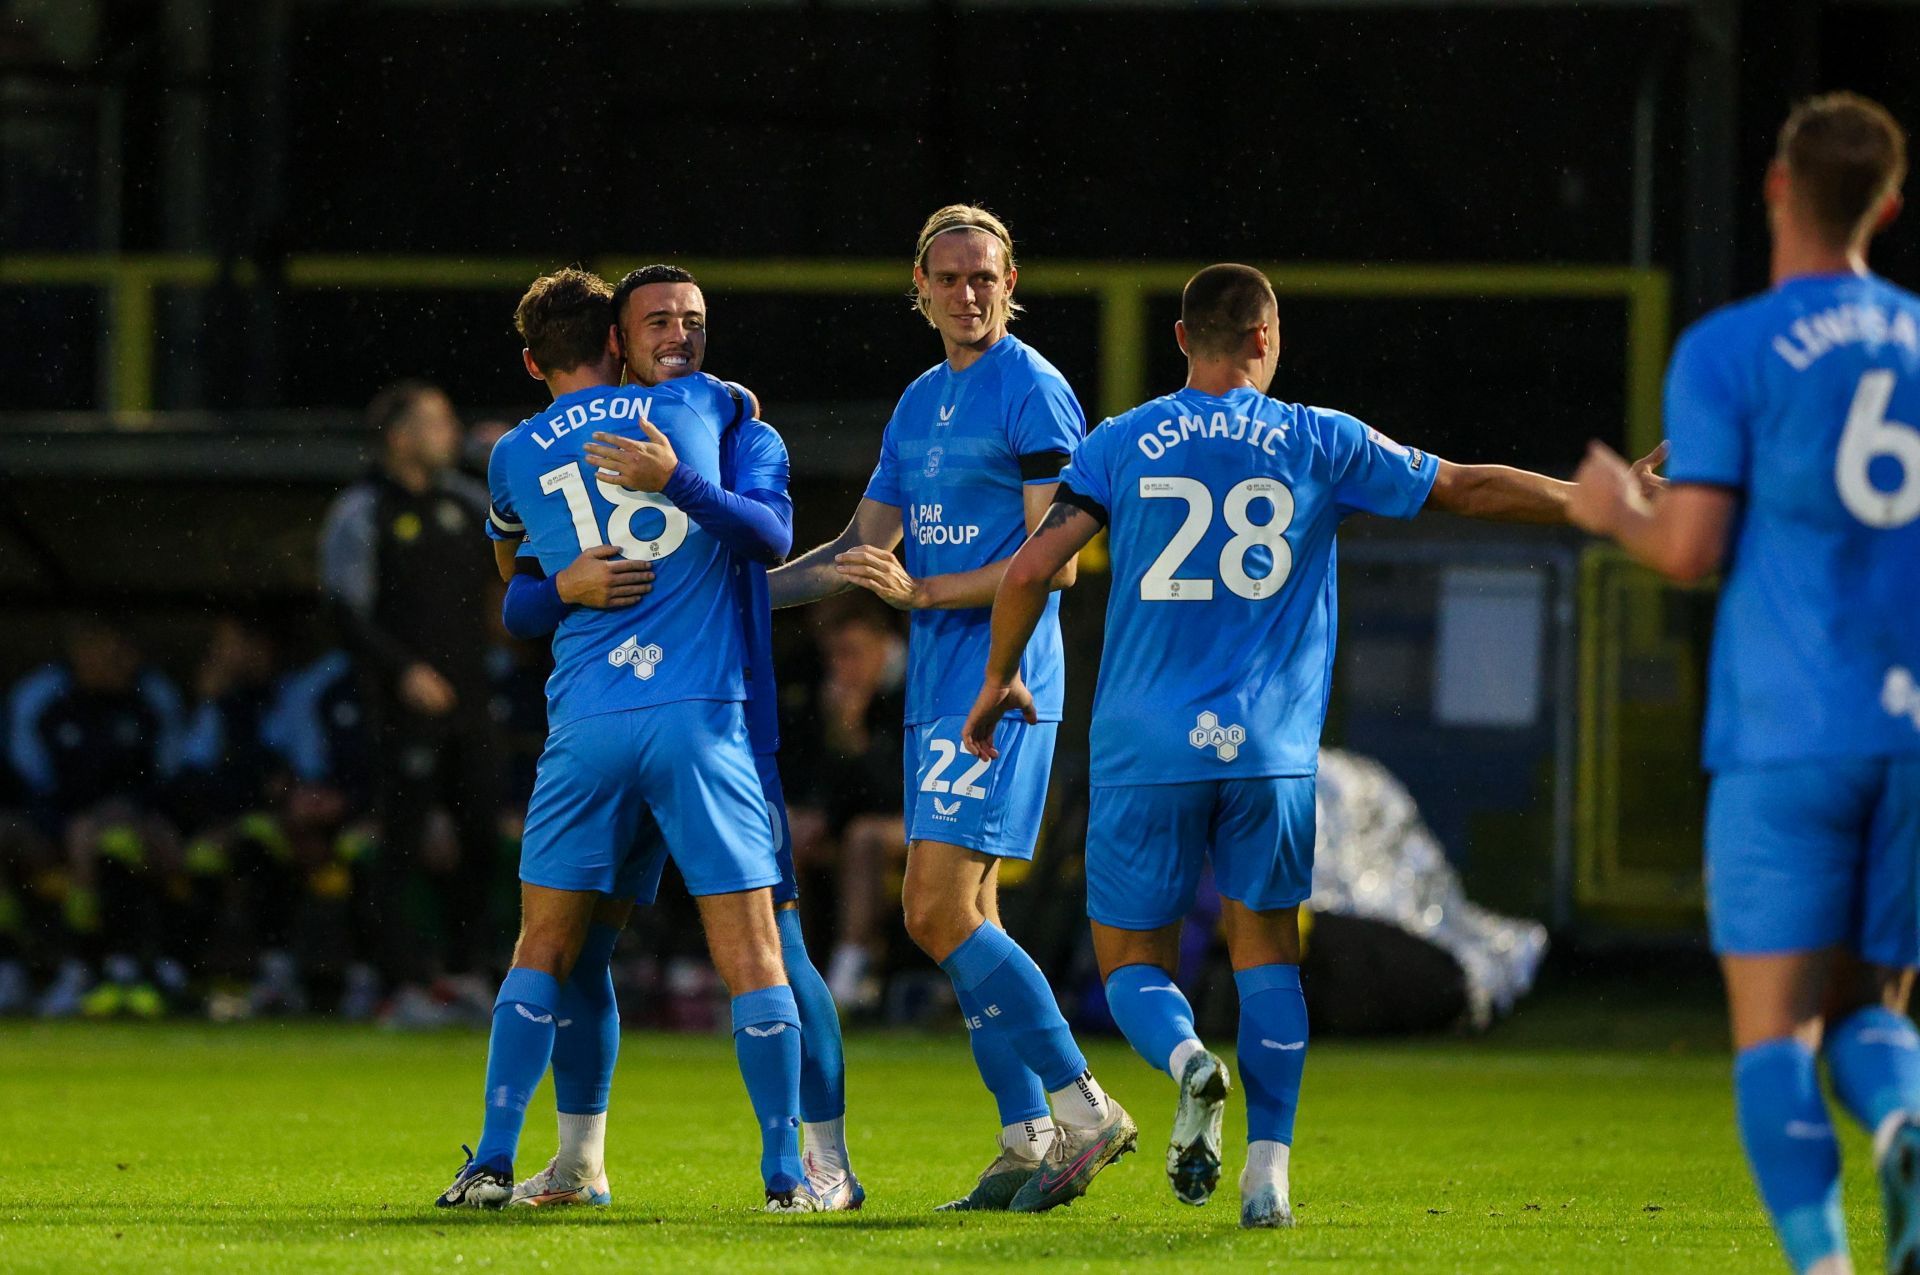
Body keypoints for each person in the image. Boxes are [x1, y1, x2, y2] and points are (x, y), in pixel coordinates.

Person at [963, 262, 1667, 1229]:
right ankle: (1268, 1175)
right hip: (1269, 748)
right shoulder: (1318, 438)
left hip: (1145, 744)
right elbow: (1465, 487)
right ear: (1266, 336)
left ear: (1180, 339)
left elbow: (1033, 567)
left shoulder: (1120, 442)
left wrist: (1001, 675)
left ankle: (1186, 1063)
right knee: (1268, 959)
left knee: (1132, 961)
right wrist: (1605, 495)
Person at [1570, 94, 1920, 1275]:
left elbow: (1690, 552)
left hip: (1784, 732)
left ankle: (1823, 1265)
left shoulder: (1730, 349)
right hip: (1911, 735)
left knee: (1777, 1032)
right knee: (1876, 1012)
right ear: (1888, 203)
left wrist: (1612, 504)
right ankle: (1908, 1124)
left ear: (1777, 189)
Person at [769, 205, 1133, 1213]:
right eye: (950, 277)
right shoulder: (922, 398)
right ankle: (1025, 1138)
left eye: (986, 276)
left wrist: (924, 593)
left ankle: (1084, 1106)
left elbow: (1049, 561)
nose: (969, 293)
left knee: (929, 910)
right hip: (939, 683)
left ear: (1012, 285)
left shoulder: (1033, 389)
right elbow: (860, 547)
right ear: (918, 289)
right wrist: (740, 588)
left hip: (1001, 680)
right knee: (970, 913)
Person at [436, 268, 813, 1213]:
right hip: (698, 719)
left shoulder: (514, 453)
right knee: (754, 955)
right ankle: (785, 1177)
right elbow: (761, 519)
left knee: (549, 950)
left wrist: (563, 586)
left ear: (530, 360)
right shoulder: (703, 406)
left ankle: (495, 1158)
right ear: (617, 340)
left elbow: (515, 601)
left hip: (588, 725)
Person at [318, 380, 503, 1005]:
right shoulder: (361, 511)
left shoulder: (468, 501)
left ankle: (464, 969)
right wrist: (403, 672)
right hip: (401, 707)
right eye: (437, 422)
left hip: (472, 702)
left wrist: (516, 459)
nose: (450, 433)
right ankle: (396, 981)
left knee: (482, 834)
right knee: (401, 839)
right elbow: (345, 610)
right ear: (400, 437)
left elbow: (531, 542)